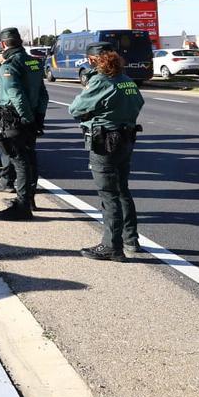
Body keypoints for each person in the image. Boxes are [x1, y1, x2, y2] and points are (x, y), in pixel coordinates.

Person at [67, 43, 145, 261]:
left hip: (105, 141)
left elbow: (75, 108)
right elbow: (138, 103)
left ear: (92, 60)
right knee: (122, 190)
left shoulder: (100, 80)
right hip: (126, 137)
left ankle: (112, 246)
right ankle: (131, 239)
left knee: (108, 195)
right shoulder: (126, 80)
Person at [0, 27, 49, 220]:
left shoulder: (8, 65)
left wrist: (26, 118)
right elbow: (43, 93)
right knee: (30, 159)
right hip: (30, 117)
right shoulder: (33, 62)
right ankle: (28, 199)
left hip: (15, 119)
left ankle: (23, 206)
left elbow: (16, 95)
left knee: (20, 162)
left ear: (3, 44)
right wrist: (37, 117)